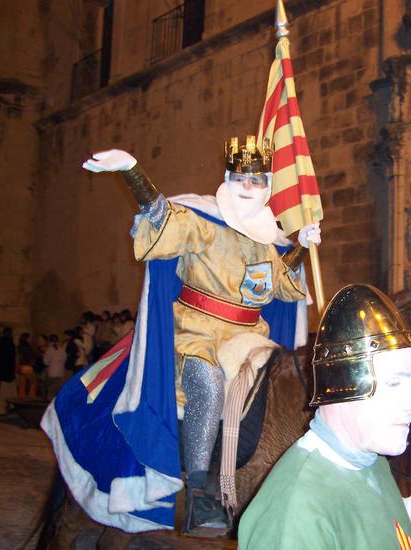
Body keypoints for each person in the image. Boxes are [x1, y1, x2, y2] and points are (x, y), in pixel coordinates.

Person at [79, 138, 320, 532]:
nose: (247, 187)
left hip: (251, 341)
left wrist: (303, 249)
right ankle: (199, 491)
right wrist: (132, 170)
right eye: (240, 178)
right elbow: (161, 217)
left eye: (257, 180)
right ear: (227, 178)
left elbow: (282, 286)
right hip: (194, 334)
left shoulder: (269, 242)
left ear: (268, 187)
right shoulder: (202, 222)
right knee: (207, 385)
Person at [238, 284, 411, 549]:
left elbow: (373, 524)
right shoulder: (293, 516)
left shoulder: (369, 460)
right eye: (394, 382)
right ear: (343, 385)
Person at [0, 327, 17, 415]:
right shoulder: (10, 344)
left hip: (3, 371)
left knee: (4, 391)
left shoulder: (1, 343)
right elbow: (12, 359)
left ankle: (2, 409)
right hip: (9, 371)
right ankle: (10, 407)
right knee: (9, 390)